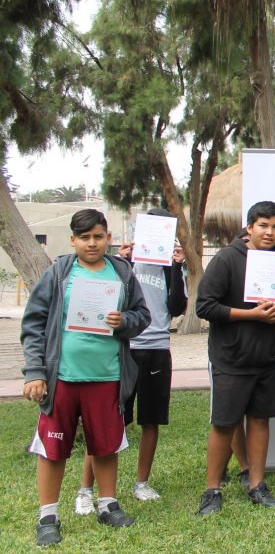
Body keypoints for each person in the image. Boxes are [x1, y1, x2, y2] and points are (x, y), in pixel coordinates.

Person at [22, 209, 151, 546]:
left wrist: (124, 320)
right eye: (84, 237)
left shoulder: (122, 273)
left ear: (108, 238)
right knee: (53, 447)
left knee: (106, 444)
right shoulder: (59, 273)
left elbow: (142, 316)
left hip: (107, 375)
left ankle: (108, 505)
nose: (92, 243)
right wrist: (36, 372)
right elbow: (34, 323)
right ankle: (48, 516)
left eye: (98, 236)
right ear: (73, 240)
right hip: (62, 377)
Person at [75, 208, 187, 515]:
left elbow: (177, 307)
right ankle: (85, 489)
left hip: (157, 348)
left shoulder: (171, 265)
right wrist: (123, 260)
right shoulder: (123, 262)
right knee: (107, 419)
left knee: (151, 419)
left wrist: (177, 267)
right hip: (125, 348)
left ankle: (141, 483)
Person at [196, 201, 275, 515]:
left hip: (268, 358)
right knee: (224, 424)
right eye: (263, 225)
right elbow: (205, 306)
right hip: (231, 359)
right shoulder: (227, 258)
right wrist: (250, 314)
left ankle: (257, 485)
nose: (269, 232)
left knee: (260, 421)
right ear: (249, 227)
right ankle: (212, 491)